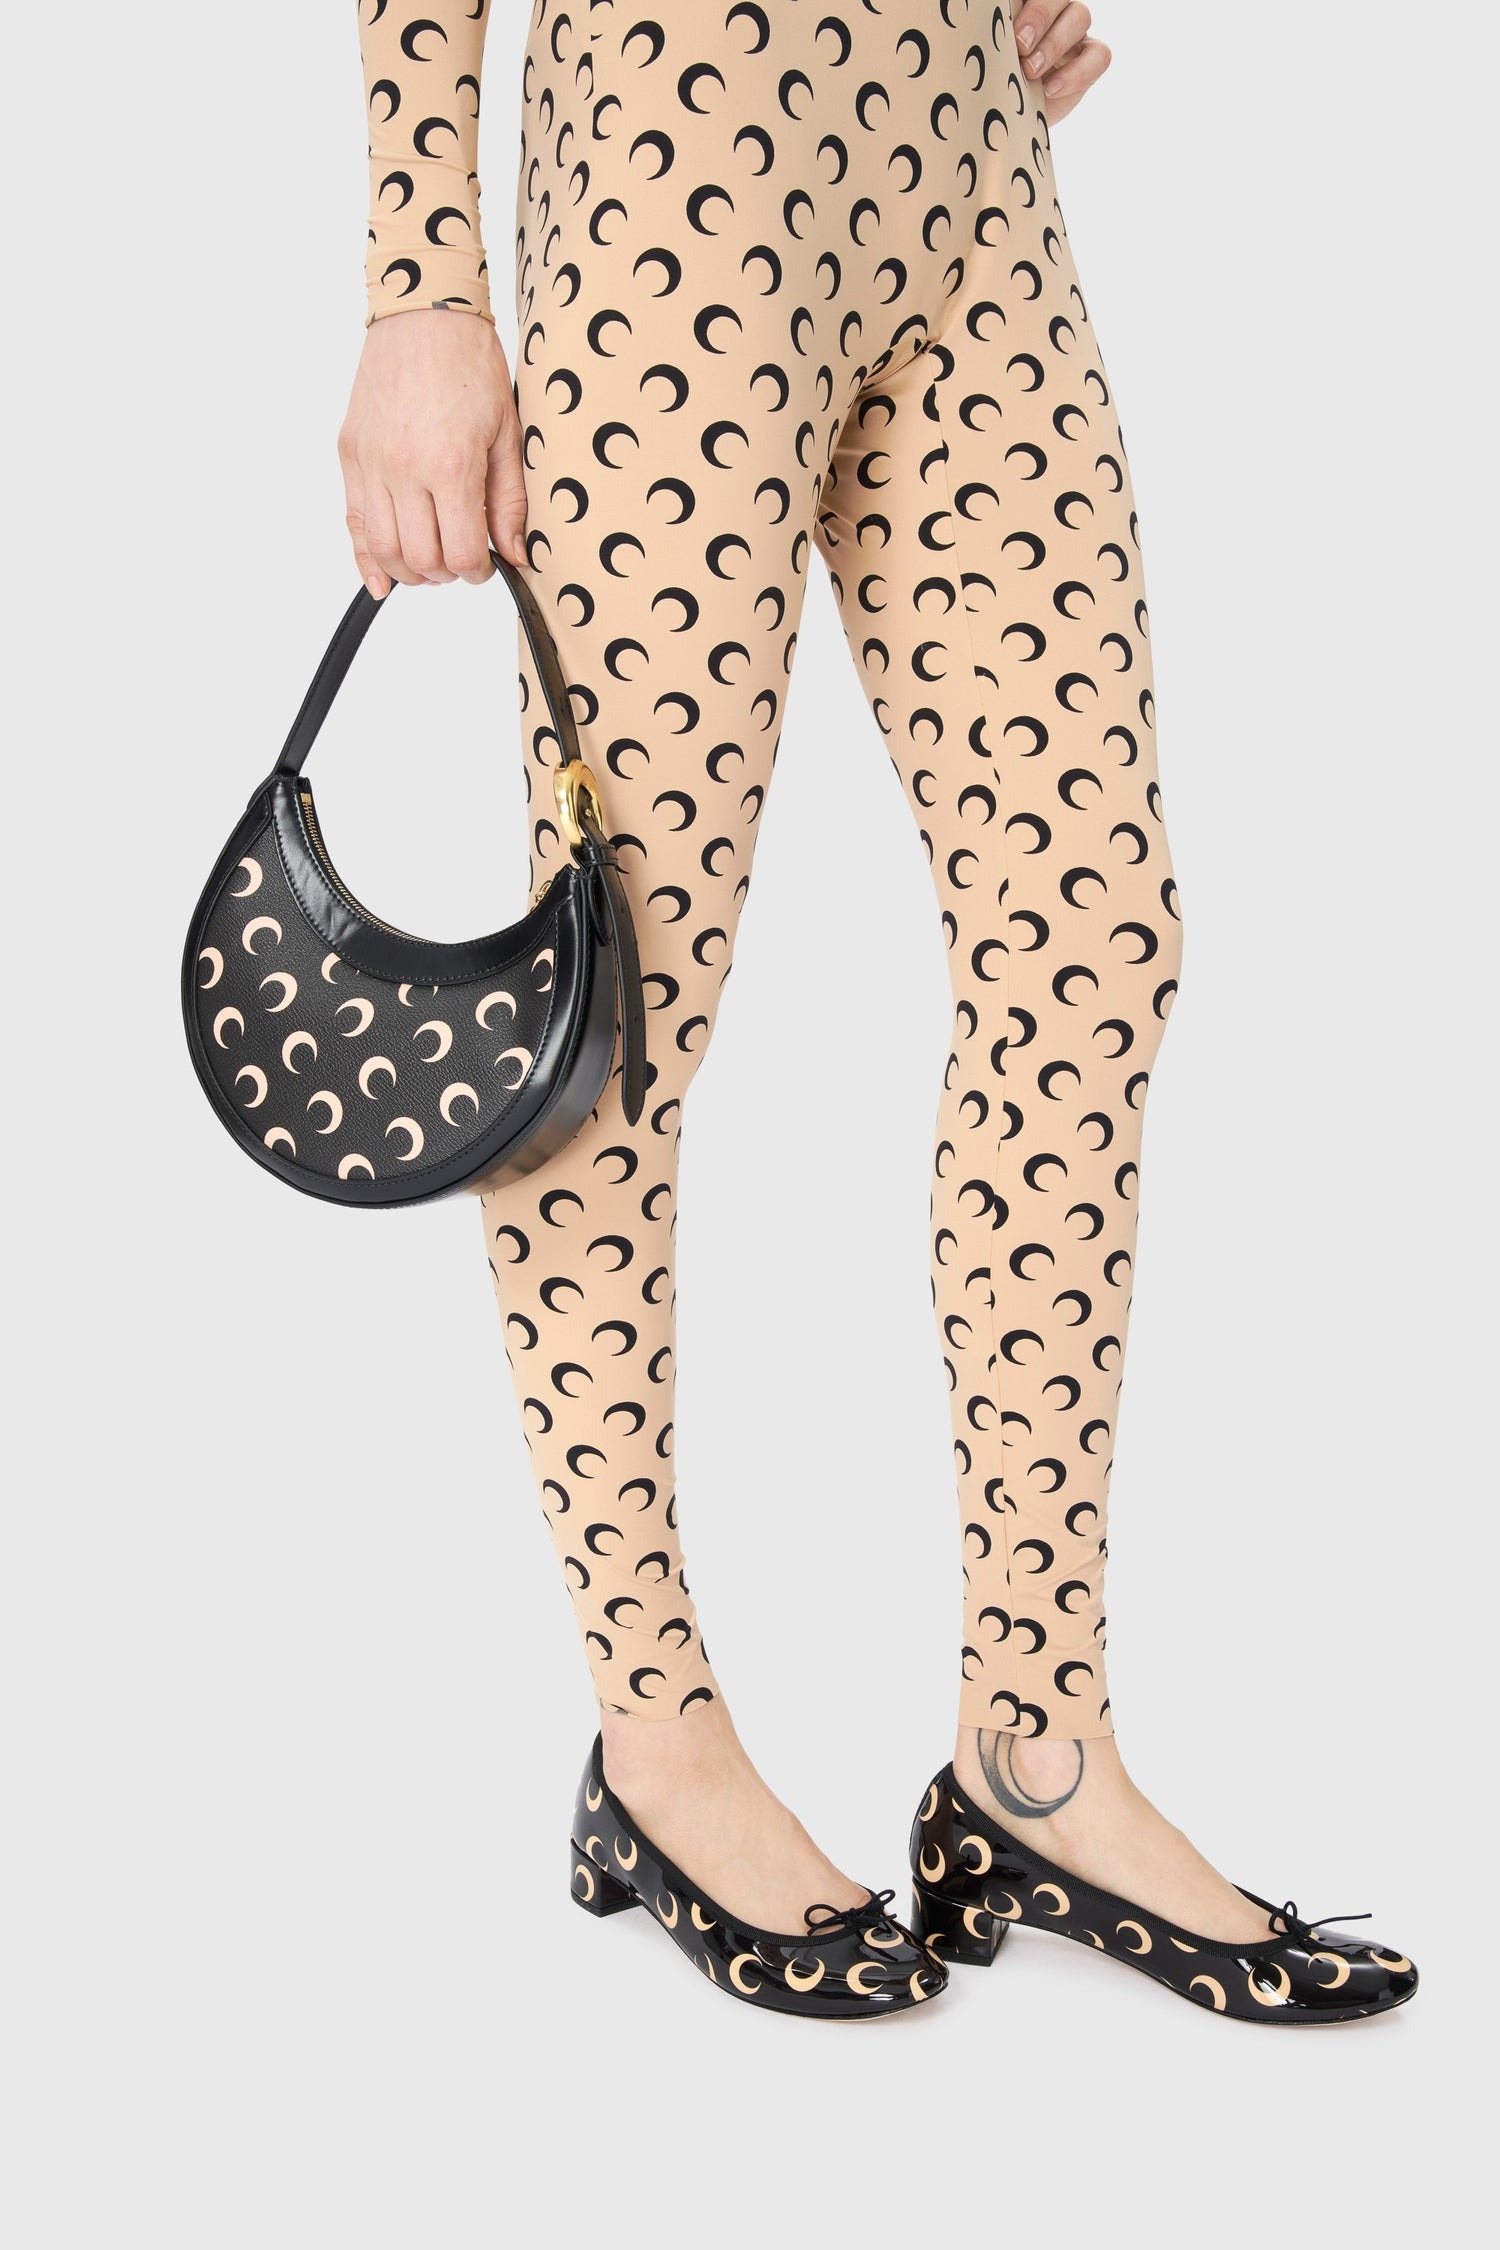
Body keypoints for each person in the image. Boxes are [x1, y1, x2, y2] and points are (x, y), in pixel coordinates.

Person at [336, 0, 1416, 2023]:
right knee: (617, 1004)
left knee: (1089, 937)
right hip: (679, 158)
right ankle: (656, 1744)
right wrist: (424, 280)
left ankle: (1036, 1754)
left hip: (961, 159)